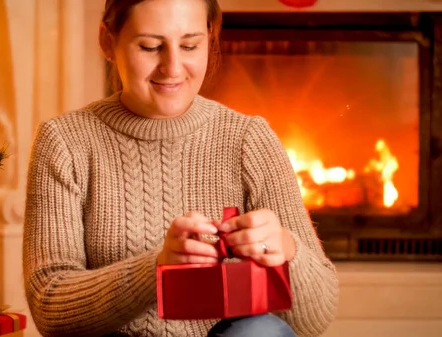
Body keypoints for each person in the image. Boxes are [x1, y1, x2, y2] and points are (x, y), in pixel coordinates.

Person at [23, 0, 339, 336]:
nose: (173, 68)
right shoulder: (65, 141)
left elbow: (314, 321)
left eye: (190, 45)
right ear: (107, 42)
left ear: (209, 38)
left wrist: (286, 250)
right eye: (151, 46)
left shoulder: (249, 139)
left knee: (259, 330)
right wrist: (158, 269)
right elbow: (50, 306)